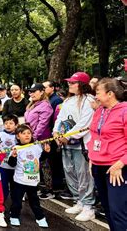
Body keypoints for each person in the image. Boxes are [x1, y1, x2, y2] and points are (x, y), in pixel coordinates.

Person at [53, 72, 96, 222]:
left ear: (82, 84)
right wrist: (56, 132)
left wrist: (68, 136)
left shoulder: (89, 100)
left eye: (73, 82)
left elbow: (85, 123)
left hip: (81, 145)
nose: (70, 85)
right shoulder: (68, 101)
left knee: (84, 174)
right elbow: (60, 118)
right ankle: (78, 200)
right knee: (70, 172)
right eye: (69, 82)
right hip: (66, 144)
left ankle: (88, 205)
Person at [87, 78, 127, 230]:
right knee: (108, 209)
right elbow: (94, 135)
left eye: (98, 92)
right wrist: (91, 157)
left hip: (116, 168)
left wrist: (121, 163)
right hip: (98, 165)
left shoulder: (124, 111)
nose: (95, 96)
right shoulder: (100, 111)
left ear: (110, 94)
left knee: (118, 211)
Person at [8, 124, 50, 228]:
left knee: (34, 201)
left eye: (29, 133)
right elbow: (11, 164)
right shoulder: (16, 148)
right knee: (17, 201)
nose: (27, 135)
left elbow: (41, 158)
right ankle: (14, 216)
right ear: (18, 136)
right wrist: (13, 156)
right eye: (23, 133)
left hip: (33, 181)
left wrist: (46, 152)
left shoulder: (36, 146)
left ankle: (40, 217)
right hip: (19, 181)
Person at [0, 114, 18, 200]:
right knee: (3, 186)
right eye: (6, 123)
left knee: (15, 188)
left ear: (16, 125)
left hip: (14, 167)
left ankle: (15, 206)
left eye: (11, 123)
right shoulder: (0, 134)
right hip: (2, 166)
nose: (8, 125)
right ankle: (1, 205)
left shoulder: (18, 135)